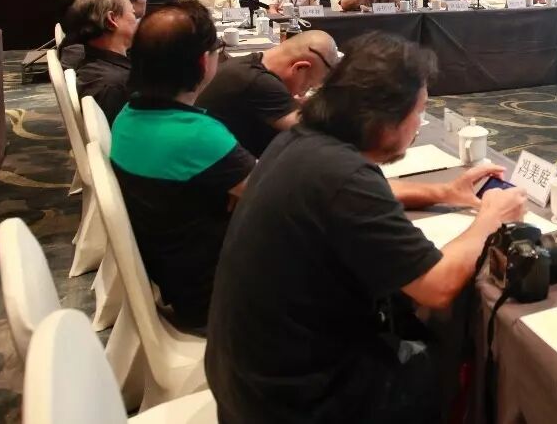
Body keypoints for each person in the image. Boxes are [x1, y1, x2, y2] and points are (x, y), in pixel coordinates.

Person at [206, 33, 527, 423]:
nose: (419, 124)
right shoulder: (343, 176)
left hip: (246, 385)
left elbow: (356, 195)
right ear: (384, 121)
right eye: (419, 112)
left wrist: (443, 192)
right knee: (454, 356)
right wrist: (491, 219)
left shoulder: (299, 142)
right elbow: (436, 286)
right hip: (298, 404)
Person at [109, 1, 254, 332]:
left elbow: (252, 189)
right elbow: (277, 199)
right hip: (220, 296)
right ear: (204, 61)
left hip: (176, 277)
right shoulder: (198, 136)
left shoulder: (126, 116)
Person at [196, 31, 339, 157]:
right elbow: (316, 134)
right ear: (299, 67)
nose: (302, 93)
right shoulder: (261, 83)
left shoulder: (248, 65)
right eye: (307, 86)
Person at [63, 0, 138, 123]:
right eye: (133, 14)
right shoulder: (113, 84)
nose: (137, 20)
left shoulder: (96, 66)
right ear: (112, 20)